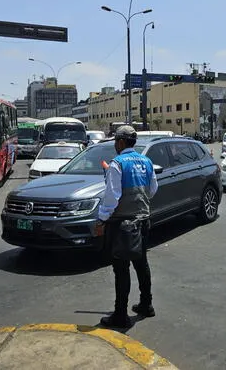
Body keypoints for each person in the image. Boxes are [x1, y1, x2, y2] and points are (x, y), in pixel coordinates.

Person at [95, 125, 158, 328]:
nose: (115, 144)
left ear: (121, 142)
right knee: (141, 263)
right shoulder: (146, 161)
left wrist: (101, 220)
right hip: (143, 220)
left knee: (121, 269)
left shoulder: (118, 164)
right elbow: (152, 190)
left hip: (122, 224)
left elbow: (112, 198)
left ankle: (120, 314)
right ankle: (146, 304)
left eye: (115, 141)